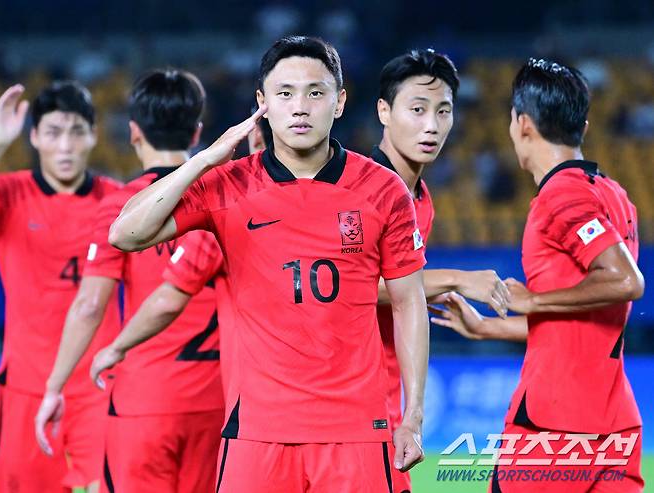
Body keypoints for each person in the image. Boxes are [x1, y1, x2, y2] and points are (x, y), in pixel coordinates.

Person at [109, 35, 429, 493]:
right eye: (285, 94)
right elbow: (126, 233)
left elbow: (407, 303)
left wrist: (413, 416)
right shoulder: (228, 185)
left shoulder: (384, 190)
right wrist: (204, 160)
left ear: (339, 102)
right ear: (262, 104)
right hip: (256, 433)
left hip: (356, 431)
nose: (300, 107)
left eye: (315, 93)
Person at [431, 58, 645, 493]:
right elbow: (580, 326)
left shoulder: (560, 196)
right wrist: (490, 327)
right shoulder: (614, 194)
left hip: (553, 426)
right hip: (615, 426)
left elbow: (627, 281)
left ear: (522, 124)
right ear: (582, 126)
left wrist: (530, 300)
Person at [35, 69, 225, 493]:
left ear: (134, 131)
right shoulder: (224, 198)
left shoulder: (120, 207)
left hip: (145, 402)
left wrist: (54, 387)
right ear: (196, 131)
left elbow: (89, 306)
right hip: (220, 402)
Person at [372, 48, 509, 493]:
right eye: (417, 109)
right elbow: (355, 285)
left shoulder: (420, 199)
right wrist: (457, 279)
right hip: (348, 402)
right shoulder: (360, 187)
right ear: (384, 112)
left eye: (443, 111)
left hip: (389, 397)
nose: (432, 125)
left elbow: (398, 284)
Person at [0, 82, 121, 493]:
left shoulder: (119, 202)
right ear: (33, 137)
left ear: (93, 135)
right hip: (23, 390)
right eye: (52, 132)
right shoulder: (10, 193)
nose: (65, 145)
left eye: (76, 131)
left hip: (101, 393)